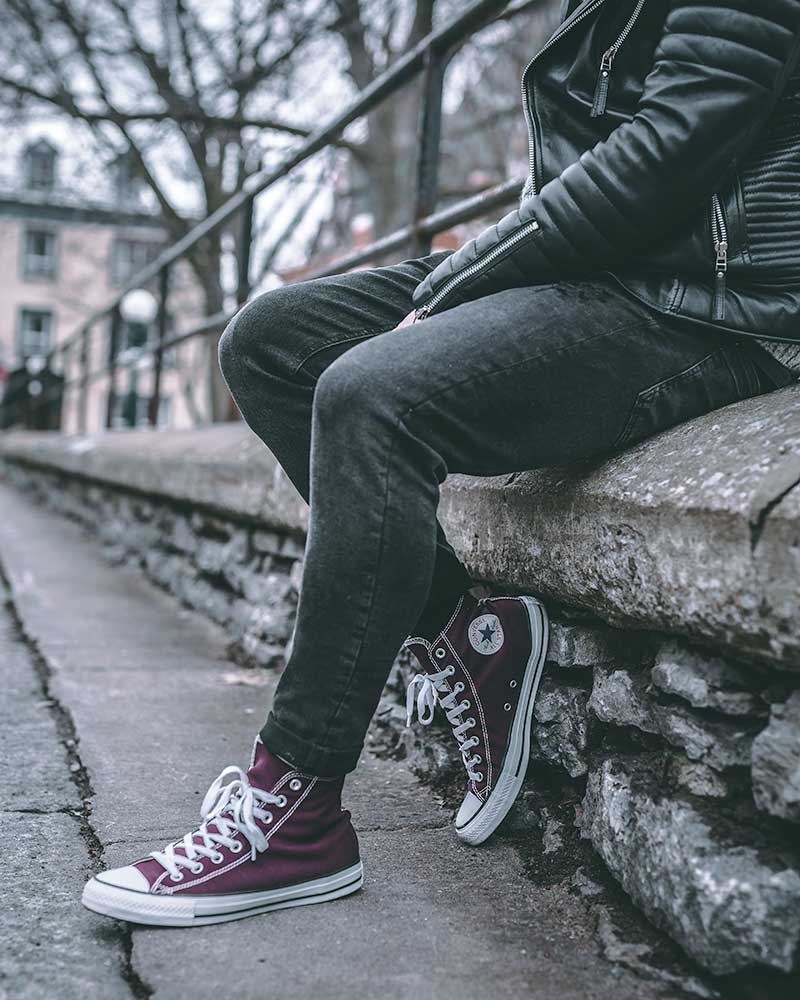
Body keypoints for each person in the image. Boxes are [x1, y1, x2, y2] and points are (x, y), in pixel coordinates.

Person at [83, 0, 800, 926]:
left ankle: (297, 814)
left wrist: (464, 281)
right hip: (617, 271)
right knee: (270, 342)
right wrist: (471, 277)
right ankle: (474, 638)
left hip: (711, 305)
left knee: (369, 394)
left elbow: (678, 144)